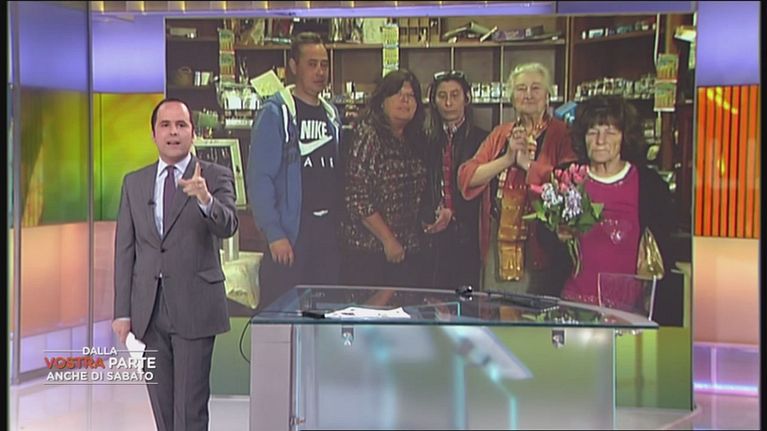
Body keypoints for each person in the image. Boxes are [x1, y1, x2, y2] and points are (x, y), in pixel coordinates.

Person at [112, 98, 239, 431]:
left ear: (192, 133)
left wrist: (205, 199)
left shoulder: (214, 176)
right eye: (165, 125)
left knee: (189, 409)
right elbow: (125, 250)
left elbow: (228, 225)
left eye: (181, 125)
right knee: (163, 410)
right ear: (153, 134)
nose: (173, 132)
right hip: (149, 312)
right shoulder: (134, 183)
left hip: (196, 307)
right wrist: (122, 312)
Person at [458, 62, 577, 296]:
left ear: (548, 95)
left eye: (536, 88)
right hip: (498, 240)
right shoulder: (501, 133)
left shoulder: (562, 134)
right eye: (521, 89)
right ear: (512, 97)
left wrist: (528, 166)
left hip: (541, 242)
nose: (528, 95)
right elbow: (466, 177)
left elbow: (569, 187)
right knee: (497, 308)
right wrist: (507, 159)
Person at [248, 32, 342, 310]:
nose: (320, 72)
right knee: (282, 314)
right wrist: (275, 233)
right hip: (291, 231)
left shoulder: (331, 114)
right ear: (294, 66)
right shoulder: (276, 113)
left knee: (324, 312)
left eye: (324, 64)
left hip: (326, 231)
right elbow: (260, 178)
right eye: (312, 64)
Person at [559, 95, 675, 307]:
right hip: (574, 305)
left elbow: (664, 250)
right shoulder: (568, 178)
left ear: (624, 136)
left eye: (610, 132)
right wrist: (558, 235)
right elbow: (546, 245)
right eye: (592, 132)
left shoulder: (650, 186)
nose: (600, 140)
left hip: (630, 310)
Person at [341, 69, 428, 288]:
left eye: (411, 96)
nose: (405, 101)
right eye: (398, 94)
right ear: (382, 101)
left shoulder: (414, 139)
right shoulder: (369, 135)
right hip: (370, 252)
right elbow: (357, 197)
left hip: (407, 251)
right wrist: (388, 239)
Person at [422, 70, 489, 290]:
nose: (448, 103)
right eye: (442, 96)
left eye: (454, 95)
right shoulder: (426, 140)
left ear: (466, 98)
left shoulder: (482, 139)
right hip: (434, 235)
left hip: (470, 234)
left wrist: (454, 212)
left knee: (468, 297)